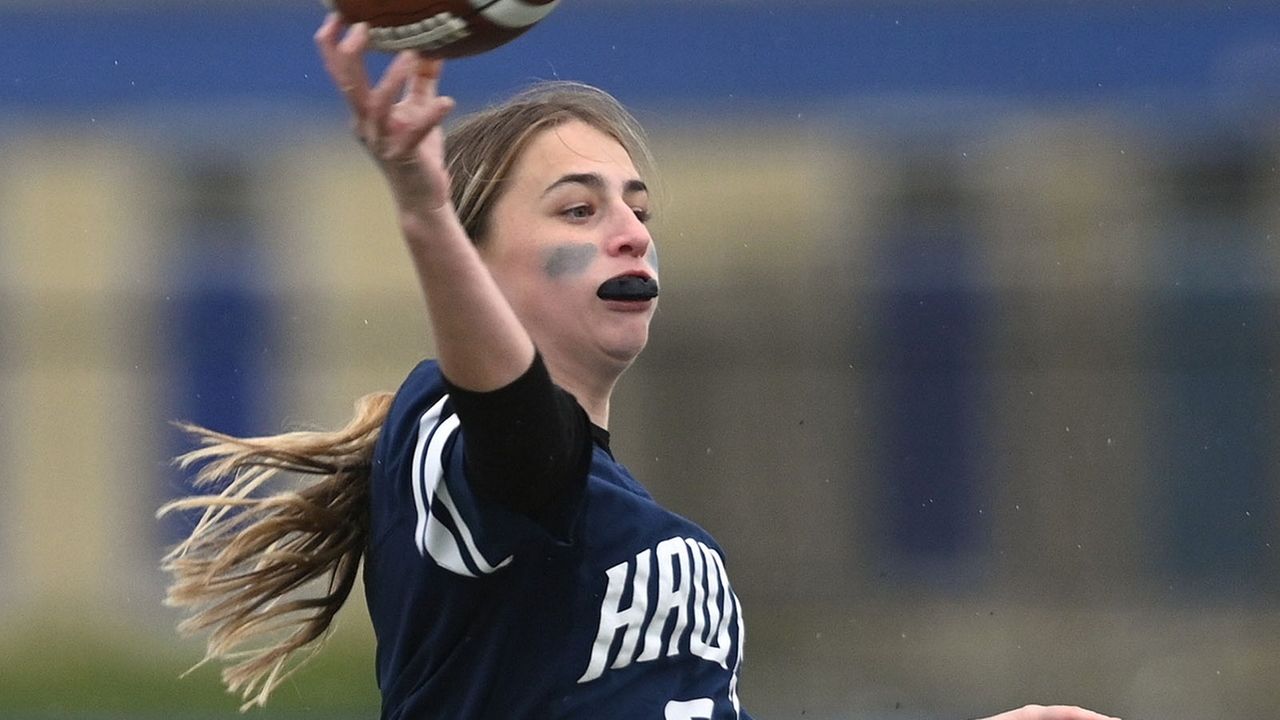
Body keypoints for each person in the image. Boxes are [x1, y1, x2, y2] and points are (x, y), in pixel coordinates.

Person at [158, 13, 1123, 720]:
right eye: (579, 210)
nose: (628, 234)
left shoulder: (629, 518)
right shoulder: (453, 433)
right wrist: (423, 208)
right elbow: (518, 433)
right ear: (480, 262)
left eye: (640, 211)